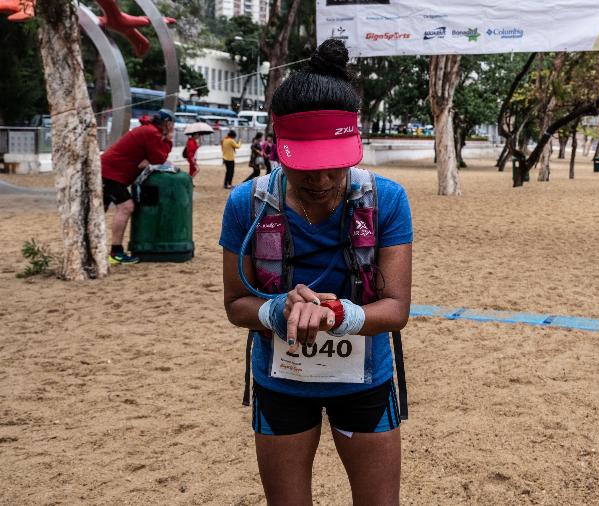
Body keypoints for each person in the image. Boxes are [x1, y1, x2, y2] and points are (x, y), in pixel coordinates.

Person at [220, 38, 412, 505]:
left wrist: (336, 315)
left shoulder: (386, 200)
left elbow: (397, 309)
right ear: (278, 146)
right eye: (305, 166)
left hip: (365, 378)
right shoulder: (246, 204)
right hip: (279, 380)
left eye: (334, 166)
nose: (322, 181)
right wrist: (277, 310)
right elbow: (235, 305)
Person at [100, 108, 174, 264]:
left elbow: (152, 160)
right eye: (172, 124)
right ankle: (116, 252)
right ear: (167, 123)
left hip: (107, 171)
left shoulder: (147, 130)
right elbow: (159, 159)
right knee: (126, 207)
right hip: (111, 174)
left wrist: (149, 160)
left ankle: (95, 249)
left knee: (99, 210)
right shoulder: (152, 133)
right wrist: (168, 140)